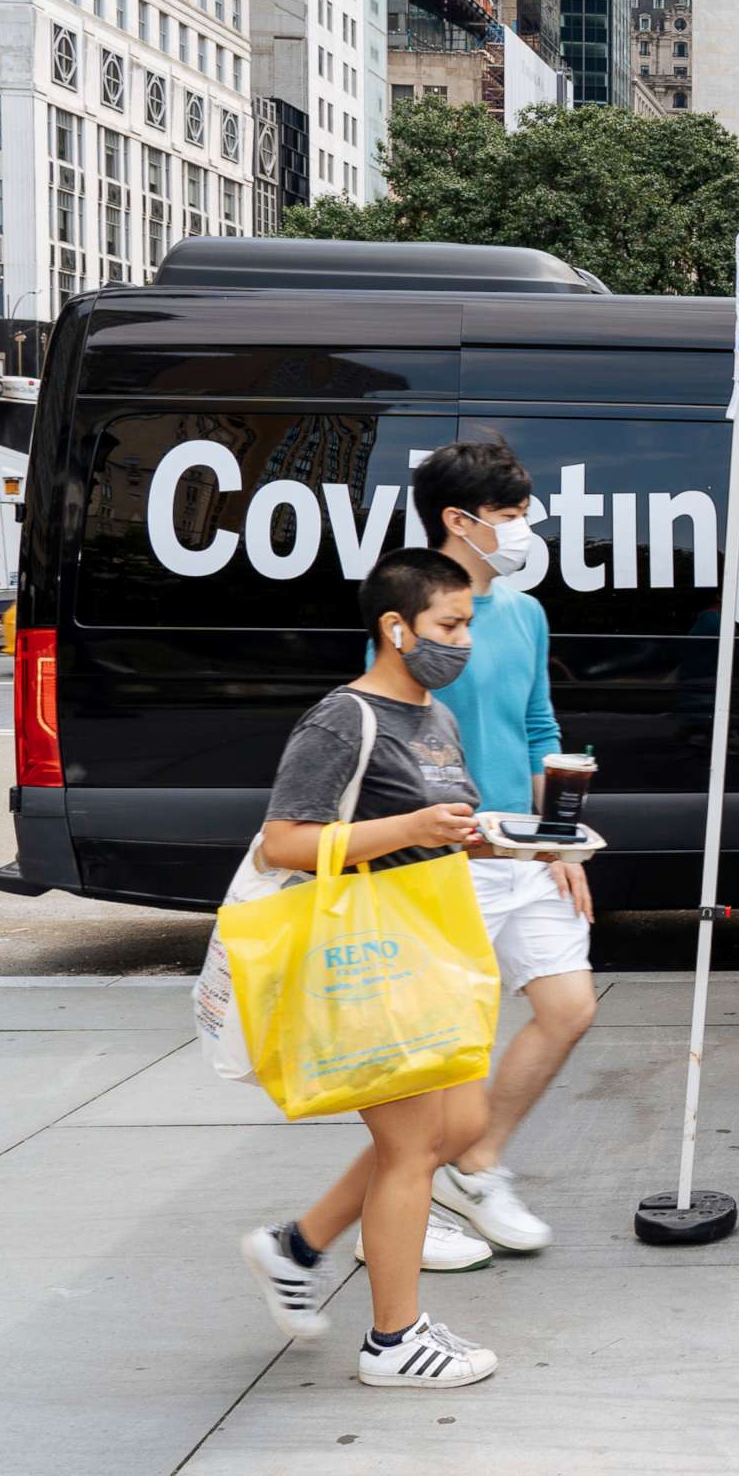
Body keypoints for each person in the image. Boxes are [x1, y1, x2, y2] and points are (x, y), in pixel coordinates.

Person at [240, 548, 502, 1388]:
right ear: (396, 627)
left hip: (427, 951)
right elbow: (284, 841)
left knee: (457, 1129)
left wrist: (497, 838)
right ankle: (395, 1341)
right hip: (367, 963)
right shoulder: (343, 719)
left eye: (467, 625)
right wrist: (411, 828)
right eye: (449, 626)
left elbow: (437, 824)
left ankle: (298, 1245)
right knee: (415, 1148)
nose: (462, 643)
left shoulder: (435, 719)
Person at [409, 439, 593, 1256]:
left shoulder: (524, 612)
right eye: (511, 516)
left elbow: (538, 727)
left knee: (568, 1009)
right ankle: (400, 1221)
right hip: (451, 859)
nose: (524, 530)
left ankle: (473, 1169)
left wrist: (557, 842)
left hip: (523, 854)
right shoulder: (415, 612)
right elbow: (392, 733)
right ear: (459, 521)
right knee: (444, 1053)